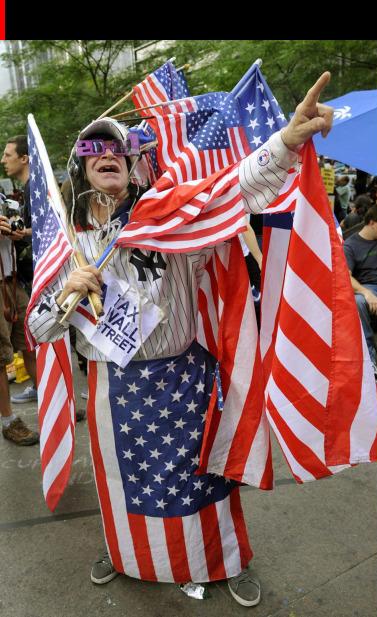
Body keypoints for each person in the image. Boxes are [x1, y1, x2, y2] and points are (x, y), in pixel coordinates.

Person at [27, 72, 334, 607]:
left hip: (182, 376)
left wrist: (287, 141)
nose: (109, 153)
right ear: (80, 166)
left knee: (204, 480)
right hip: (109, 387)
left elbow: (237, 188)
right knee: (119, 485)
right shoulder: (68, 247)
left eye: (119, 146)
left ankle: (228, 560)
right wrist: (64, 295)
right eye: (93, 146)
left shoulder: (170, 216)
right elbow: (38, 329)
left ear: (133, 159)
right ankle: (123, 552)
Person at [0, 136, 38, 406]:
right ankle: (8, 421)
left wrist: (15, 231)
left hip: (14, 282)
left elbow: (20, 229)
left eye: (7, 154)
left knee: (29, 342)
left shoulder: (11, 198)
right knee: (2, 356)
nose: (3, 160)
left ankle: (45, 393)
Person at [343, 204, 377, 378]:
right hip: (369, 288)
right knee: (358, 301)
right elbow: (346, 277)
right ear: (372, 222)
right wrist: (366, 293)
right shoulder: (350, 245)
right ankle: (370, 358)